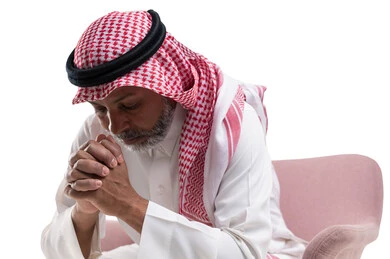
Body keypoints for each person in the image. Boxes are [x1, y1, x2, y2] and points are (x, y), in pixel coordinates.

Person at [41, 9, 306, 259]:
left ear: (166, 82)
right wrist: (85, 208)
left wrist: (129, 207)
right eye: (100, 108)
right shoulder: (97, 134)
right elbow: (56, 248)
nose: (116, 127)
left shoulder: (230, 126)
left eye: (130, 105)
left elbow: (244, 253)